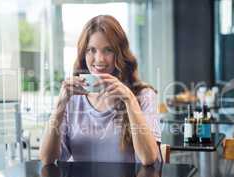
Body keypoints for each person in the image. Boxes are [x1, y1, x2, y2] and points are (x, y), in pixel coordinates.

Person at [40, 15, 161, 166]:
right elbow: (46, 159)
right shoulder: (73, 98)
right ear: (83, 54)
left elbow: (148, 158)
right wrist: (60, 105)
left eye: (108, 50)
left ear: (120, 54)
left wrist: (129, 100)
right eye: (91, 50)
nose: (99, 59)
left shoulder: (144, 95)